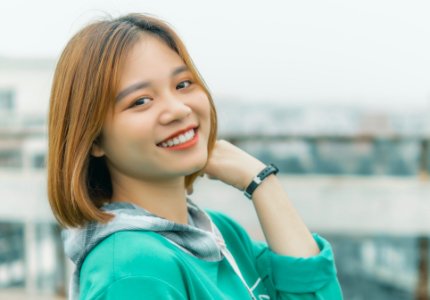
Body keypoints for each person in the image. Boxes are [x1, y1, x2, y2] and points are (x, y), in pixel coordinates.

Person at [47, 13, 343, 300]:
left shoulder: (218, 232)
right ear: (94, 138)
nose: (178, 109)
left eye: (183, 84)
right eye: (141, 101)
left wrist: (262, 183)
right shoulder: (133, 269)